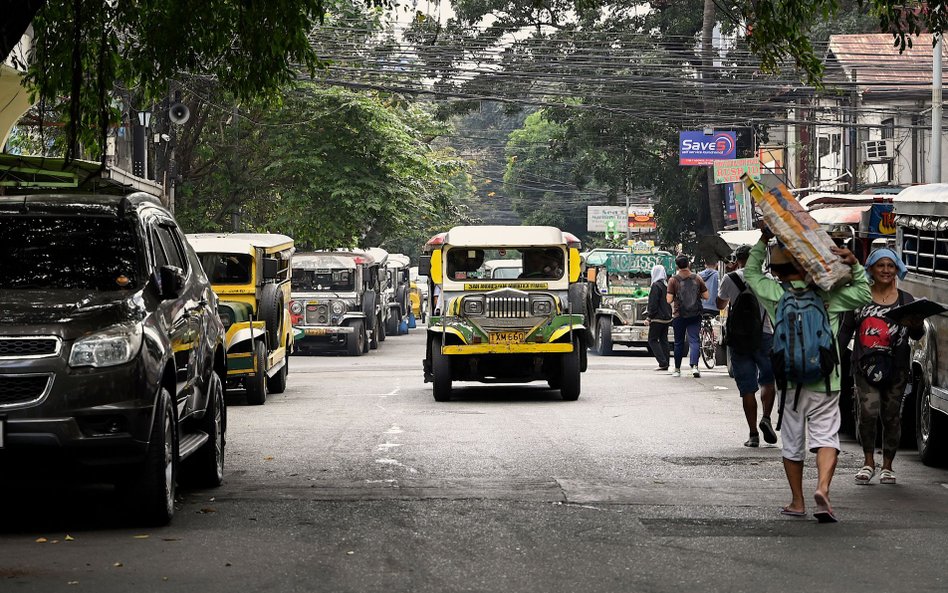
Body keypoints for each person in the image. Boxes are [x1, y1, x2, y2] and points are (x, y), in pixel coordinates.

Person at [744, 228, 870, 523]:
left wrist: (763, 240)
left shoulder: (777, 295)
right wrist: (853, 263)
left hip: (790, 383)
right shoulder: (830, 297)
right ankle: (823, 489)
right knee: (826, 437)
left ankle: (797, 501)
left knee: (792, 441)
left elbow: (751, 274)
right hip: (828, 381)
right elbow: (866, 292)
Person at [838, 248, 924, 486]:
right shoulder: (859, 297)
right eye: (880, 265)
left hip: (896, 368)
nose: (886, 270)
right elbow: (846, 329)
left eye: (891, 266)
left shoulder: (906, 301)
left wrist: (916, 324)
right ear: (871, 269)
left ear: (897, 269)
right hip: (864, 365)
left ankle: (887, 466)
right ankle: (868, 462)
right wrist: (834, 356)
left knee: (891, 416)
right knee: (867, 413)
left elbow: (917, 334)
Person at [717, 244, 777, 448]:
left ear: (738, 259)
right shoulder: (767, 279)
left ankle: (753, 434)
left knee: (747, 388)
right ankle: (766, 418)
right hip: (765, 334)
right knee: (768, 381)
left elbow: (720, 304)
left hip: (739, 338)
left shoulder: (730, 278)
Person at [666, 254, 710, 378]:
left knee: (679, 342)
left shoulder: (673, 280)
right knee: (694, 340)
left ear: (677, 266)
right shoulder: (697, 278)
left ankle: (677, 369)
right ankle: (695, 367)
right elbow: (706, 296)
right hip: (695, 314)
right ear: (688, 264)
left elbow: (669, 300)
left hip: (679, 315)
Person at [646, 264, 672, 371]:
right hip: (666, 318)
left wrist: (649, 317)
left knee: (652, 340)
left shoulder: (655, 286)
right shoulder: (665, 286)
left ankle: (662, 362)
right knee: (663, 340)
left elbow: (653, 304)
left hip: (657, 318)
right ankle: (666, 362)